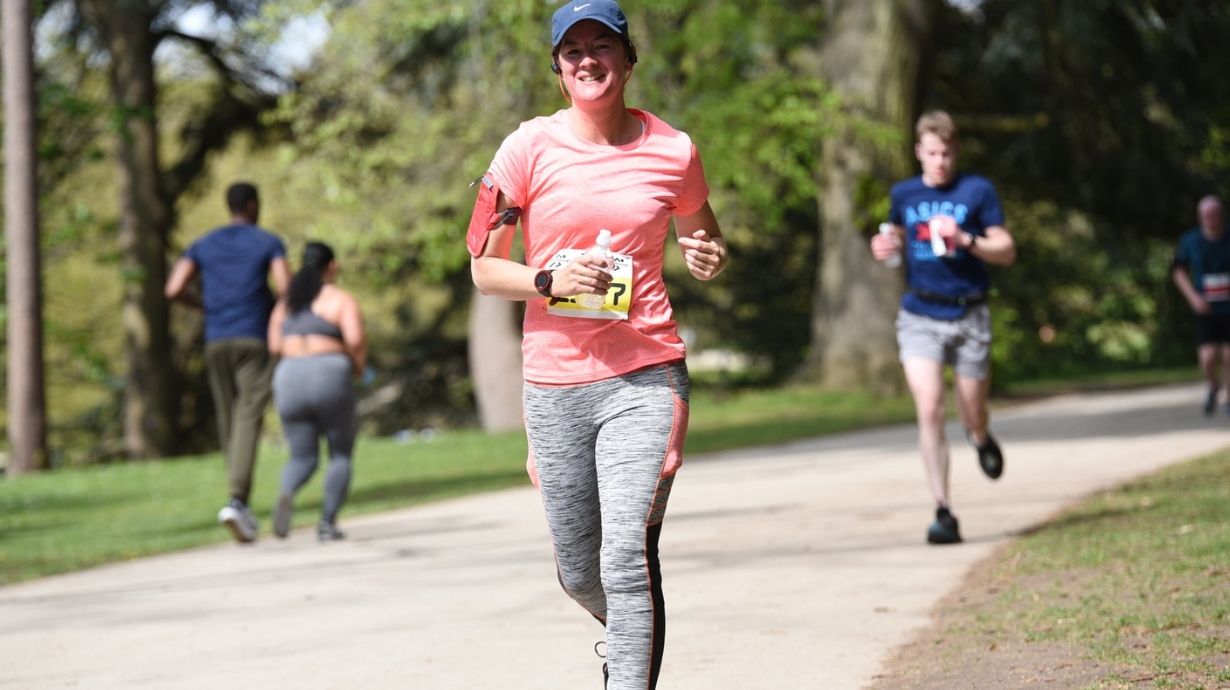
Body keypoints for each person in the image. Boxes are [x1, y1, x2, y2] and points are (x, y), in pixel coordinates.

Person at [467, 2, 727, 687]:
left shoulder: (674, 149)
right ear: (558, 70)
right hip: (554, 384)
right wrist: (550, 279)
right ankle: (630, 641)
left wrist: (706, 254)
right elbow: (485, 269)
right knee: (581, 571)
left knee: (625, 558)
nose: (588, 59)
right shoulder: (524, 150)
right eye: (572, 50)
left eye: (602, 45)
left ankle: (629, 674)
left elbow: (702, 230)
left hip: (646, 375)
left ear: (629, 59)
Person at [870, 111, 1017, 545]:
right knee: (930, 407)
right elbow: (894, 241)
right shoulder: (904, 193)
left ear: (957, 152)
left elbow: (1006, 250)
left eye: (947, 153)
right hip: (920, 315)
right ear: (919, 151)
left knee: (971, 410)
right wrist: (886, 247)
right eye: (932, 153)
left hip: (970, 314)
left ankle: (981, 435)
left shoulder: (977, 190)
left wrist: (967, 239)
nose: (940, 161)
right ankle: (943, 510)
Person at [165, 182, 290, 543]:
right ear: (252, 205)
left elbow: (174, 288)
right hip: (254, 336)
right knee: (249, 416)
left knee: (228, 417)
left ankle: (238, 500)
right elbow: (285, 287)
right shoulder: (267, 241)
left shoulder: (203, 243)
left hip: (216, 338)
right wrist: (279, 323)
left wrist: (201, 307)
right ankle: (237, 501)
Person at [266, 242, 367, 541]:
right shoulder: (340, 299)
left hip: (288, 376)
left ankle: (287, 492)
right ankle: (326, 523)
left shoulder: (286, 302)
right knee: (340, 454)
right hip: (329, 373)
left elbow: (273, 346)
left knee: (302, 457)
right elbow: (356, 339)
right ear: (332, 266)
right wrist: (358, 367)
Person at [1172, 195, 1230, 415]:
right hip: (1206, 308)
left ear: (1221, 216)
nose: (1212, 219)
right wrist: (1193, 298)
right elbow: (1178, 270)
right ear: (1200, 218)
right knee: (1207, 357)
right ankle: (1214, 386)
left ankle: (1229, 400)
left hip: (1229, 308)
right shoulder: (1190, 240)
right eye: (1207, 216)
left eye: (1215, 215)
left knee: (1228, 355)